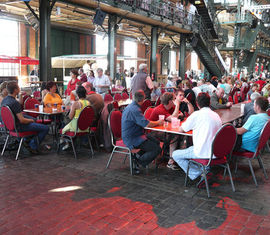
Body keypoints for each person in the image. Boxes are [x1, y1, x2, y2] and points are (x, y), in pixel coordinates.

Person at [172, 92, 222, 183]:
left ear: (197, 104)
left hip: (202, 151)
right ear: (209, 102)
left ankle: (199, 173)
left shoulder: (196, 115)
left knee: (175, 155)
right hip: (216, 152)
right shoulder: (216, 115)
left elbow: (181, 130)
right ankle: (204, 170)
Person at [122, 90, 163, 174]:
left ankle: (139, 155)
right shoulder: (134, 110)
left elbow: (143, 122)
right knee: (157, 149)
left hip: (136, 134)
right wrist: (158, 122)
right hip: (133, 138)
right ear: (142, 99)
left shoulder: (132, 107)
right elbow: (146, 124)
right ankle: (138, 161)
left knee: (157, 142)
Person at [1, 82, 49, 153]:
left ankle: (25, 141)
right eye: (18, 87)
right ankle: (32, 145)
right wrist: (31, 121)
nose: (19, 89)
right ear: (15, 90)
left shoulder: (4, 100)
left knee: (34, 120)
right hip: (19, 127)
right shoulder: (14, 103)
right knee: (45, 128)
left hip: (9, 127)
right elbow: (22, 120)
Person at [61, 86, 90, 150]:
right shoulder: (88, 103)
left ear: (77, 94)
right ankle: (71, 143)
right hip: (86, 127)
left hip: (77, 127)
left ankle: (67, 143)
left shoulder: (76, 104)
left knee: (64, 124)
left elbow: (70, 117)